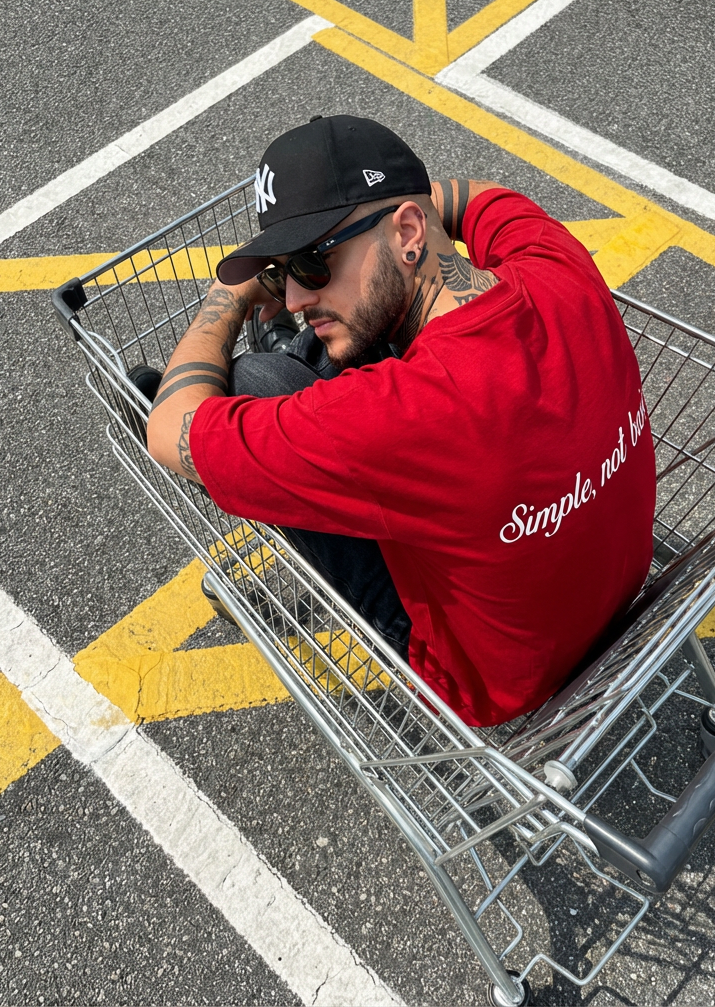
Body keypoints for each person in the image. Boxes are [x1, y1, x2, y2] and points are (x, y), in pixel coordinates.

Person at [146, 115, 656, 727]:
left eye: (313, 264)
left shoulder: (396, 417)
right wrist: (397, 206)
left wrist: (227, 301)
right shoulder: (555, 266)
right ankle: (310, 347)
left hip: (487, 678)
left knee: (255, 382)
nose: (294, 296)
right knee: (358, 335)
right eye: (280, 277)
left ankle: (291, 359)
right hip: (614, 591)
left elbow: (170, 428)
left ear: (409, 231)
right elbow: (481, 196)